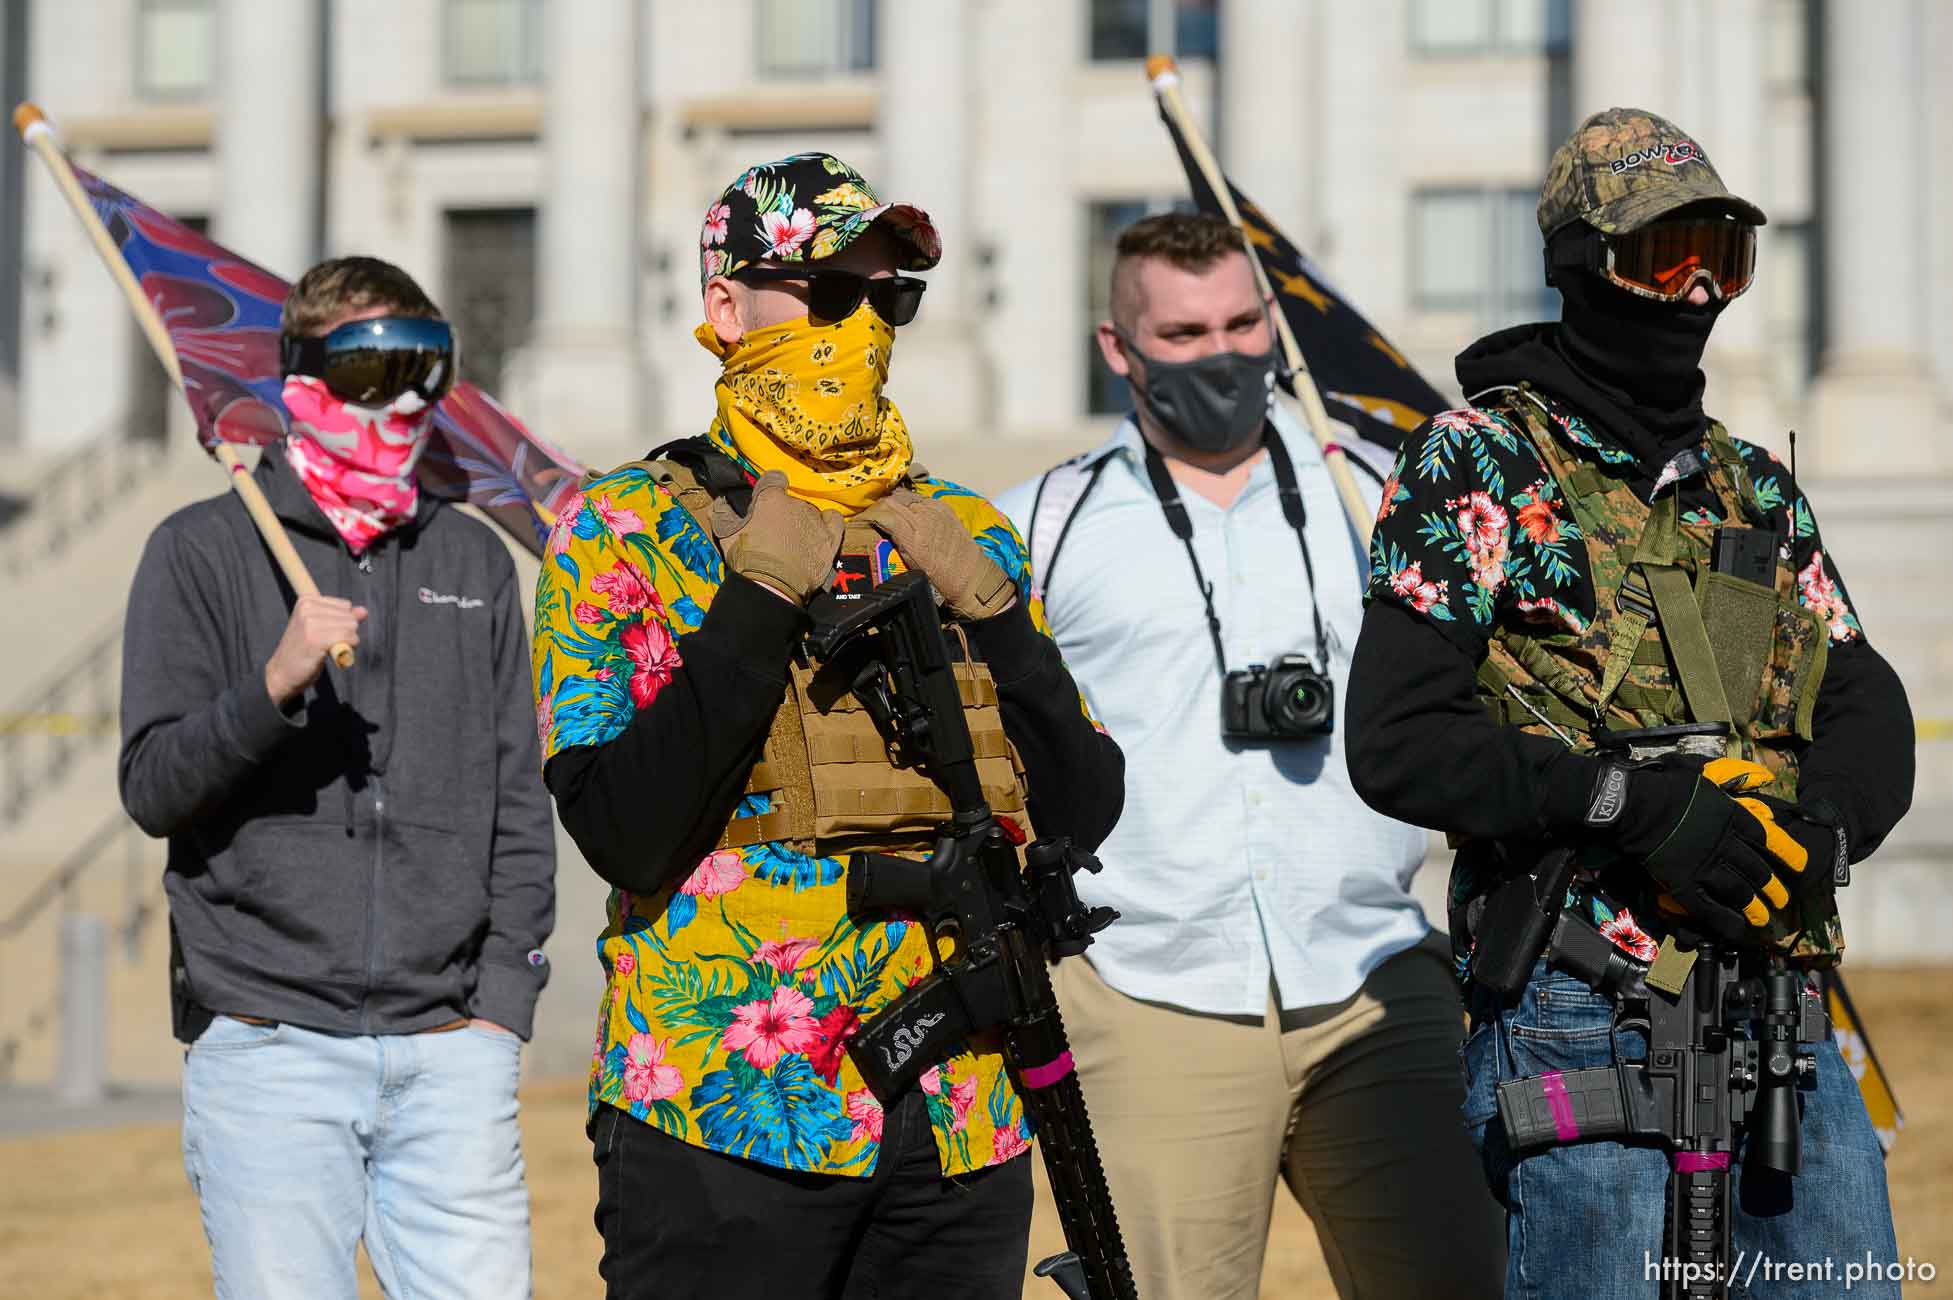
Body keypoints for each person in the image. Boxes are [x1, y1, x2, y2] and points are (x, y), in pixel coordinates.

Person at [529, 151, 1125, 1300]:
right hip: (729, 1102)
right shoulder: (622, 528)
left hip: (962, 1106)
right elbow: (625, 831)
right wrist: (757, 597)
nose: (860, 326)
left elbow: (1085, 801)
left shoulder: (960, 525)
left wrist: (993, 616)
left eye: (887, 297)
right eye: (827, 290)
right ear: (725, 307)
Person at [1346, 109, 1914, 1300]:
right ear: (1580, 267)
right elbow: (1399, 742)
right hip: (1580, 1001)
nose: (1699, 286)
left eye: (1724, 254)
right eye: (1665, 253)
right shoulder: (1476, 462)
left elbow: (1864, 696)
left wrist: (1824, 828)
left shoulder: (1751, 484)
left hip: (1781, 1009)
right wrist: (1633, 807)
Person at [994, 210, 1505, 1300]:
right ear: (1117, 347)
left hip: (1376, 978)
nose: (1220, 354)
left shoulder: (1380, 492)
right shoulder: (1040, 523)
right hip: (1147, 990)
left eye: (1240, 323)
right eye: (1181, 334)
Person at [117, 256, 555, 1300]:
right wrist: (269, 687)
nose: (403, 401)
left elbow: (516, 799)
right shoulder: (200, 551)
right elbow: (151, 786)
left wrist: (499, 1008)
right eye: (370, 372)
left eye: (427, 368)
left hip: (452, 1047)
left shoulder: (474, 560)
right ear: (302, 380)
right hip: (271, 1045)